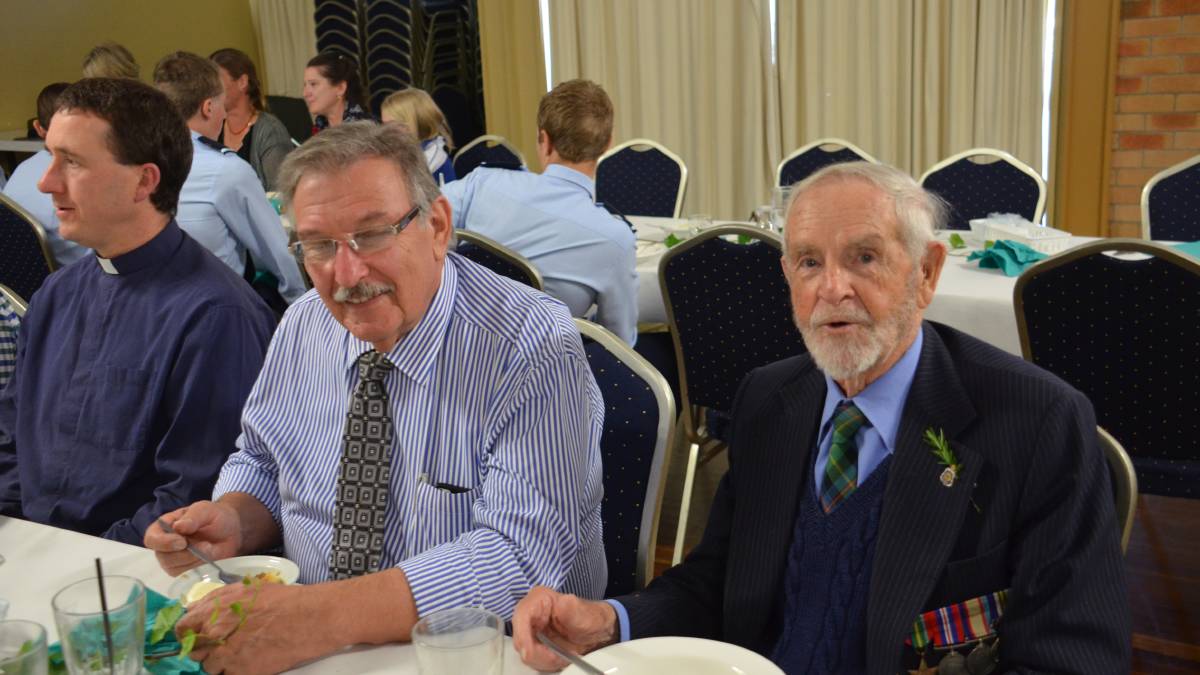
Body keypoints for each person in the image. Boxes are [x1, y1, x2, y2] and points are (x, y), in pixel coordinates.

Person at [512, 162, 1131, 674]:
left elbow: (1072, 659)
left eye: (864, 257)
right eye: (809, 262)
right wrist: (609, 621)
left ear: (926, 272)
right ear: (787, 277)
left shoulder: (1037, 424)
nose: (832, 288)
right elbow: (717, 581)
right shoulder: (768, 401)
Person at [143, 122, 606, 674]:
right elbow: (263, 459)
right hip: (306, 644)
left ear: (437, 227)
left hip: (476, 654)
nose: (347, 274)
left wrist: (314, 618)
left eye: (373, 234)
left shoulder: (529, 345)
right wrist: (235, 520)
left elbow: (518, 560)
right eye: (318, 245)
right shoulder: (304, 324)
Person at [0, 78, 277, 545]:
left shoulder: (215, 315)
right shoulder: (55, 295)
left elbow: (191, 497)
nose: (46, 183)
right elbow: (9, 438)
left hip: (130, 566)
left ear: (144, 181)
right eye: (50, 157)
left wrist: (69, 560)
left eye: (72, 162)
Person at [441, 79, 637, 345]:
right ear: (607, 144)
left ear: (544, 140)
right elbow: (618, 341)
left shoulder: (480, 184)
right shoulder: (615, 238)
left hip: (457, 348)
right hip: (544, 365)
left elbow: (420, 221)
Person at [153, 51, 305, 305]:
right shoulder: (225, 170)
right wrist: (304, 309)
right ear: (208, 107)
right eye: (222, 105)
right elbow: (279, 257)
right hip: (218, 310)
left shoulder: (141, 164)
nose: (224, 115)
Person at [3, 82, 91, 266]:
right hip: (79, 276)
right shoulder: (90, 181)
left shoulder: (21, 171)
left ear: (37, 127)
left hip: (20, 279)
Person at [209, 48, 294, 191]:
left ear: (242, 82)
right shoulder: (212, 129)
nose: (210, 89)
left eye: (216, 81)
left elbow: (280, 195)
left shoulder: (270, 131)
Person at [380, 88, 456, 185]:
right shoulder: (405, 149)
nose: (385, 131)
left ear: (415, 124)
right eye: (384, 125)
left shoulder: (431, 158)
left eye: (392, 125)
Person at [304, 51, 372, 134]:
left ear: (340, 88)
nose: (305, 94)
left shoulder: (367, 131)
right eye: (305, 85)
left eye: (313, 84)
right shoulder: (320, 127)